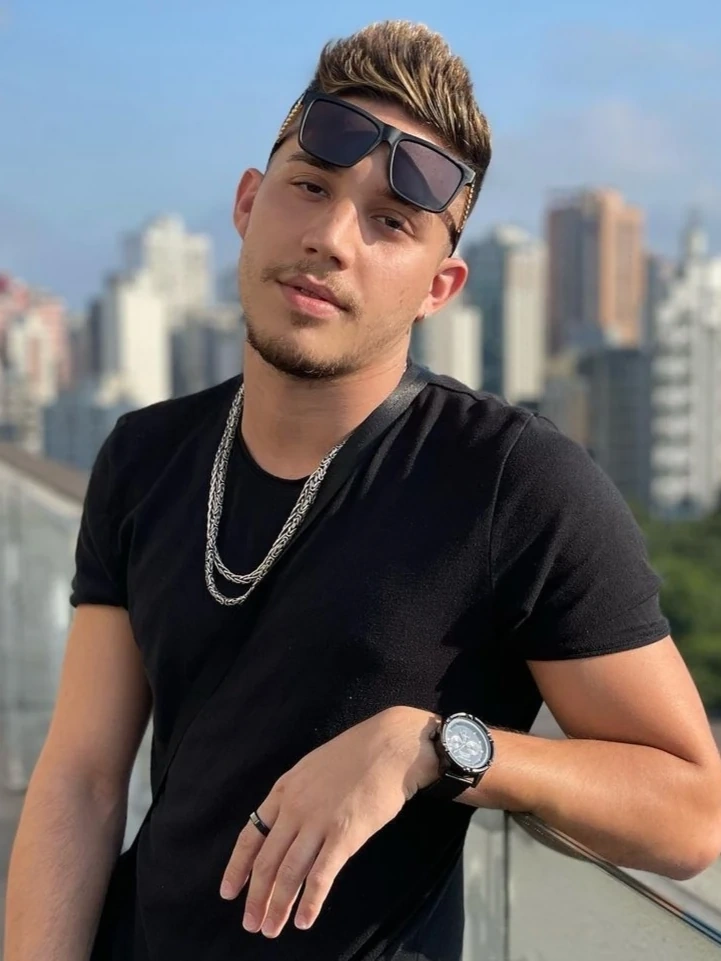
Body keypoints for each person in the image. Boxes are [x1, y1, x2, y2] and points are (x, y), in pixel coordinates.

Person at [5, 18, 721, 961]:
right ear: (248, 202)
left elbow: (691, 811)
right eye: (310, 187)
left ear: (439, 287)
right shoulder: (145, 454)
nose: (330, 239)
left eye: (390, 223)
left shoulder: (512, 481)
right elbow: (84, 779)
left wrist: (431, 745)